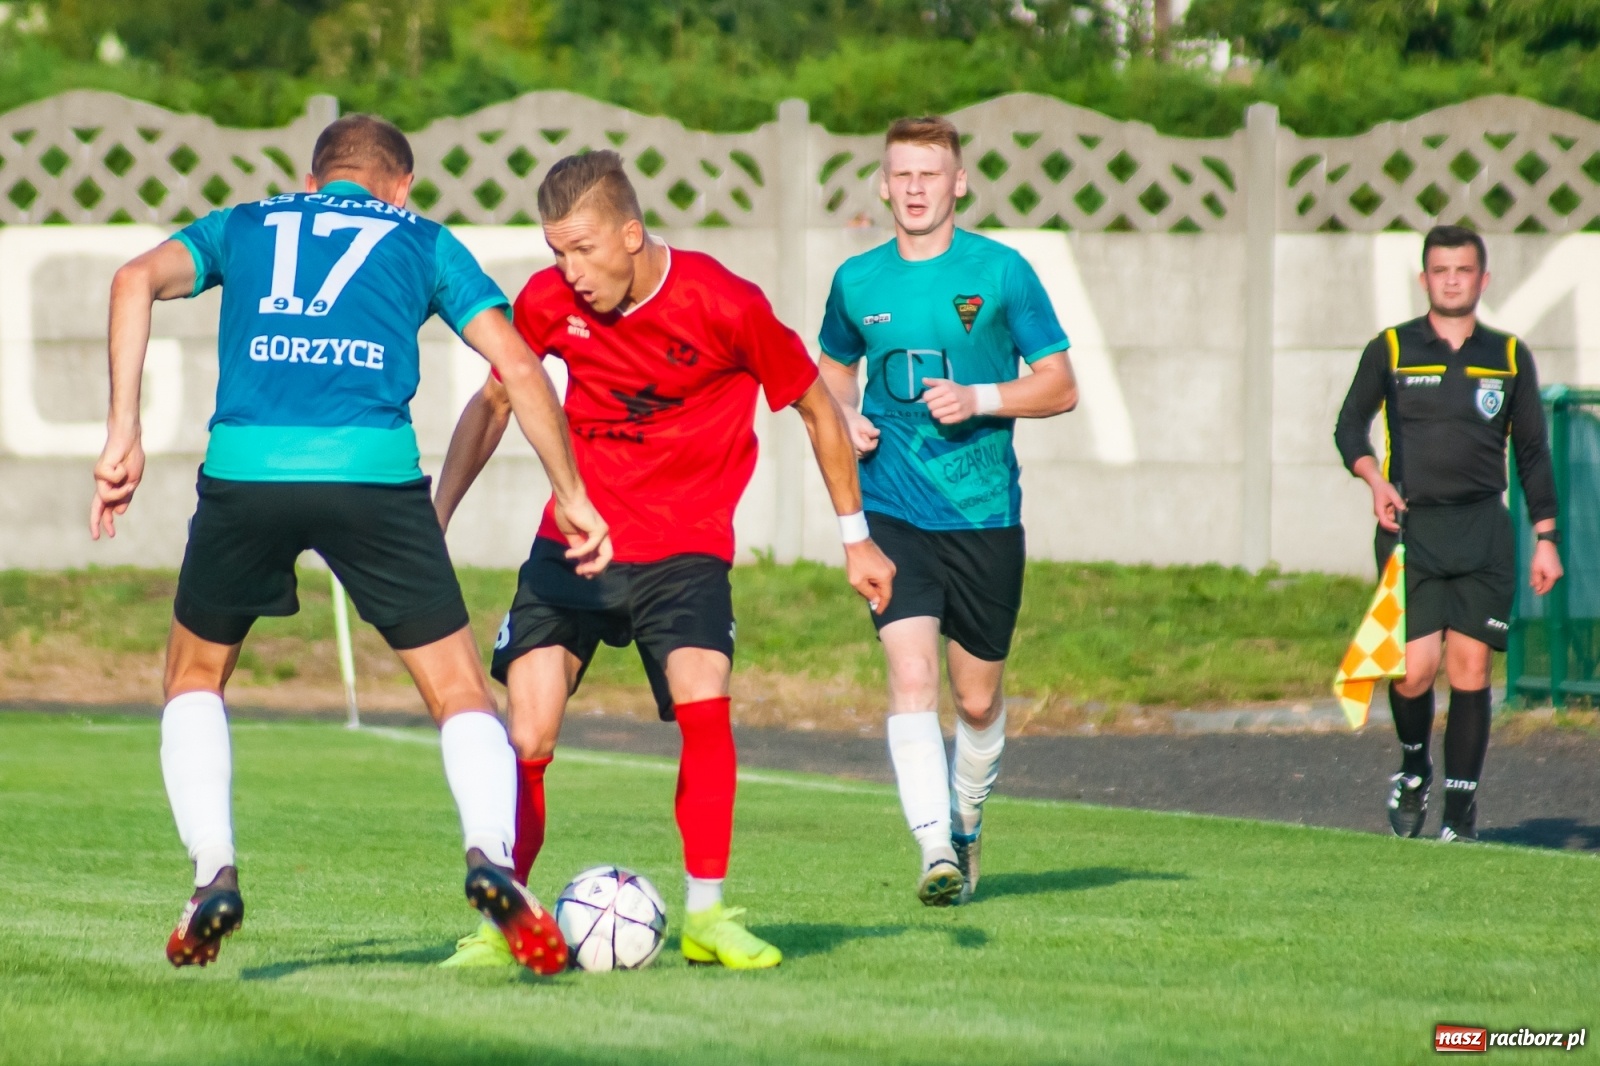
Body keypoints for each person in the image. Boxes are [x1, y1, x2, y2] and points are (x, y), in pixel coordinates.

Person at [90, 115, 611, 974]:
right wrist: (573, 495)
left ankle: (212, 873)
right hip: (373, 472)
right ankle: (492, 856)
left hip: (247, 468)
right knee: (457, 691)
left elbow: (131, 277)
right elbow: (518, 368)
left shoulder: (249, 222)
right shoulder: (426, 240)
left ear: (316, 176)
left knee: (193, 677)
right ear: (398, 185)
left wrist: (123, 432)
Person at [431, 150, 895, 969]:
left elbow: (819, 411)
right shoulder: (547, 303)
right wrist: (433, 524)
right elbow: (496, 399)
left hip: (683, 552)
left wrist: (854, 537)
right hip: (572, 546)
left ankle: (707, 916)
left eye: (583, 250)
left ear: (632, 234)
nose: (567, 273)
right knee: (526, 733)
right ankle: (503, 923)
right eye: (555, 253)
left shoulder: (724, 304)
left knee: (702, 696)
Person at [816, 117, 1078, 906]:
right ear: (883, 185)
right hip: (892, 511)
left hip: (985, 514)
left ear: (959, 182)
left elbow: (1060, 384)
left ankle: (965, 822)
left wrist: (982, 397)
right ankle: (933, 848)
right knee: (910, 675)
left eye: (931, 174)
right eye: (902, 175)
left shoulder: (1001, 273)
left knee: (974, 699)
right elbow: (827, 375)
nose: (916, 189)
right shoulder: (857, 280)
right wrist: (845, 416)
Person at [1334, 224, 1562, 842]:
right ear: (1425, 279)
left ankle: (1460, 811)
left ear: (1482, 280)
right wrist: (1373, 481)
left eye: (1463, 270)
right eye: (1441, 270)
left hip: (1483, 530)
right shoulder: (1392, 348)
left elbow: (1535, 453)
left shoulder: (1509, 355)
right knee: (1411, 671)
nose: (1452, 279)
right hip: (1412, 531)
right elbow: (1349, 427)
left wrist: (1546, 535)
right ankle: (1414, 770)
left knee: (1471, 670)